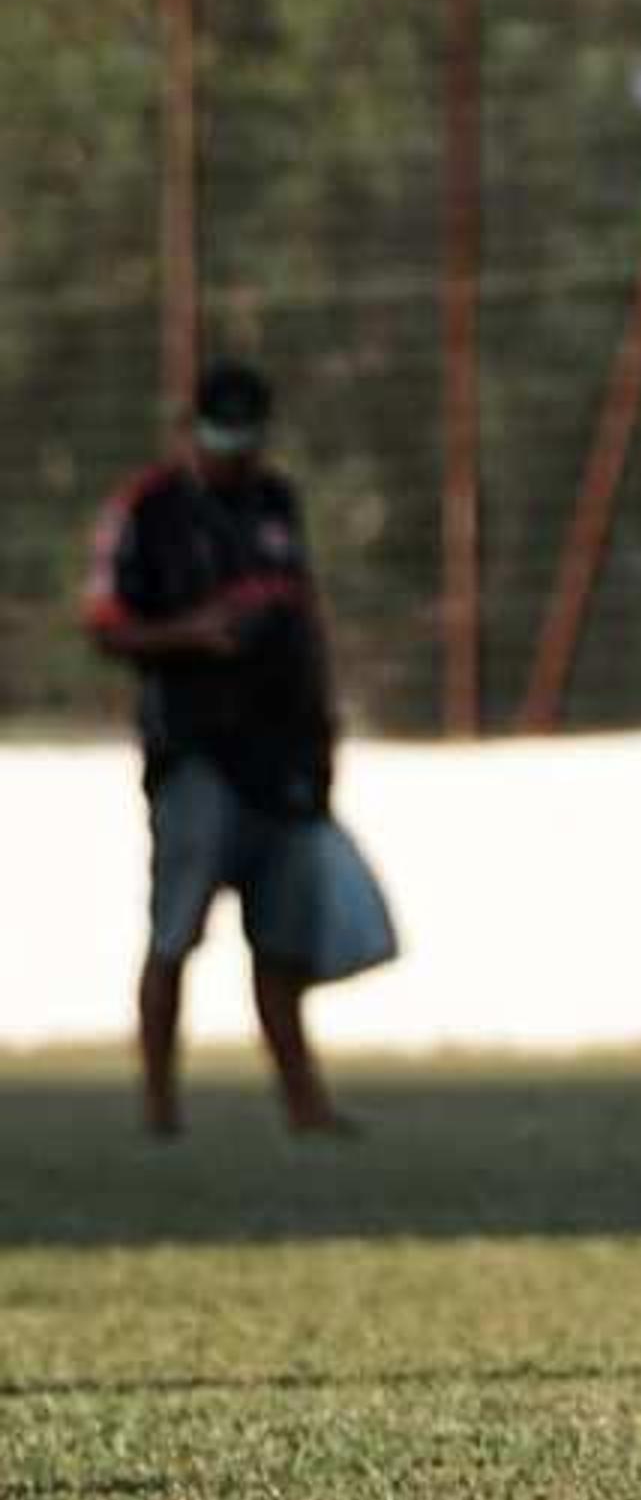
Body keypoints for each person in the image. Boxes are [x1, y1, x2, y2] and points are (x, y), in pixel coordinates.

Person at [80, 360, 389, 1141]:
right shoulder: (148, 510)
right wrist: (193, 633)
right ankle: (159, 1110)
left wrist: (324, 721)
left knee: (282, 941)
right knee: (176, 933)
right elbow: (104, 622)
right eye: (221, 435)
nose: (234, 453)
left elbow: (306, 614)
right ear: (192, 430)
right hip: (196, 757)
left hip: (282, 757)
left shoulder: (275, 502)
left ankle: (304, 1105)